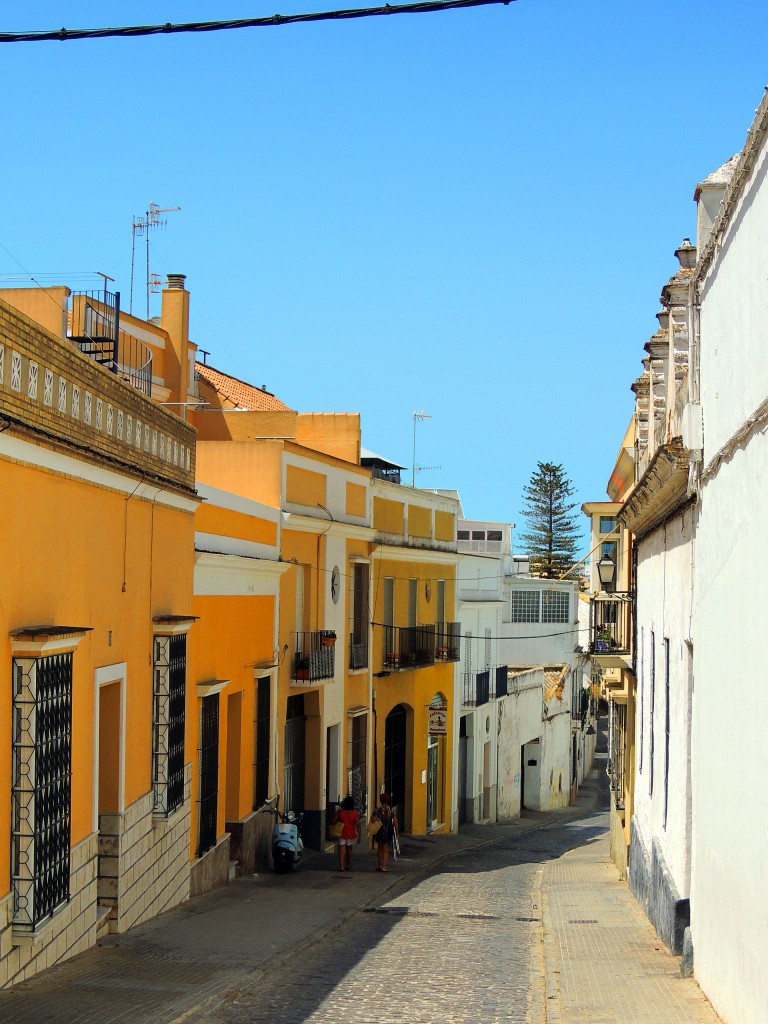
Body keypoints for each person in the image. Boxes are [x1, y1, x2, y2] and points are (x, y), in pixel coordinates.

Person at [332, 795, 361, 871]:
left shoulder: (341, 812)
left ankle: (341, 866)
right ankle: (348, 863)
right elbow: (358, 824)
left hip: (341, 832)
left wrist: (337, 813)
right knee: (349, 850)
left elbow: (333, 821)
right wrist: (359, 835)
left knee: (342, 849)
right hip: (350, 833)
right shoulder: (354, 813)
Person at [371, 793, 398, 872]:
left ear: (380, 800)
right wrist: (397, 831)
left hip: (379, 830)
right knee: (385, 849)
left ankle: (379, 865)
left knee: (380, 848)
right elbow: (395, 821)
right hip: (388, 830)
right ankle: (384, 867)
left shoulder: (377, 809)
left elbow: (373, 819)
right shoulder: (391, 810)